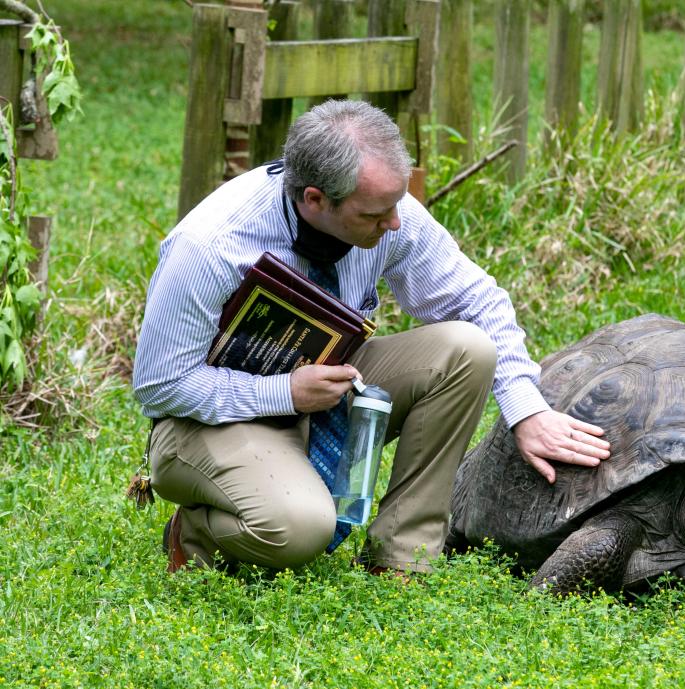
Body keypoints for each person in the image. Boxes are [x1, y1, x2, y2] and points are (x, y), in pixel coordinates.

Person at [132, 100, 610, 575]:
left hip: (324, 384)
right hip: (205, 422)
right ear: (315, 199)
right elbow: (160, 385)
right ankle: (194, 533)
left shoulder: (387, 211)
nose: (396, 223)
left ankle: (400, 558)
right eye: (375, 215)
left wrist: (525, 410)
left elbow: (479, 300)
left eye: (396, 205)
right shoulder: (211, 247)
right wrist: (285, 392)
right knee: (299, 529)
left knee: (468, 350)